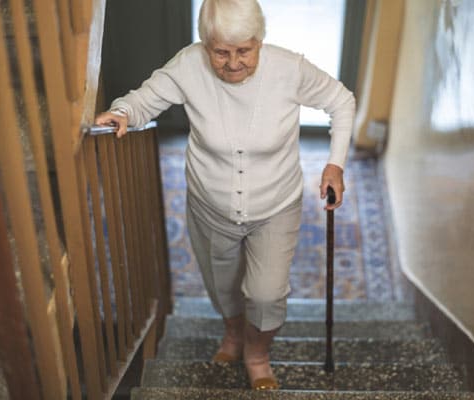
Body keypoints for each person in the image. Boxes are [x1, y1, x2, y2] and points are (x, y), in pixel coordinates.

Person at [95, 0, 355, 390]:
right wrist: (123, 112)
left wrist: (335, 163)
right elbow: (144, 100)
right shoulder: (188, 65)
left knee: (266, 295)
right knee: (223, 286)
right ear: (206, 44)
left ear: (259, 41)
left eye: (244, 51)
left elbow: (341, 100)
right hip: (210, 206)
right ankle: (233, 333)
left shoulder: (290, 69)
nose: (233, 63)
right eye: (221, 52)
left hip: (276, 205)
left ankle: (257, 352)